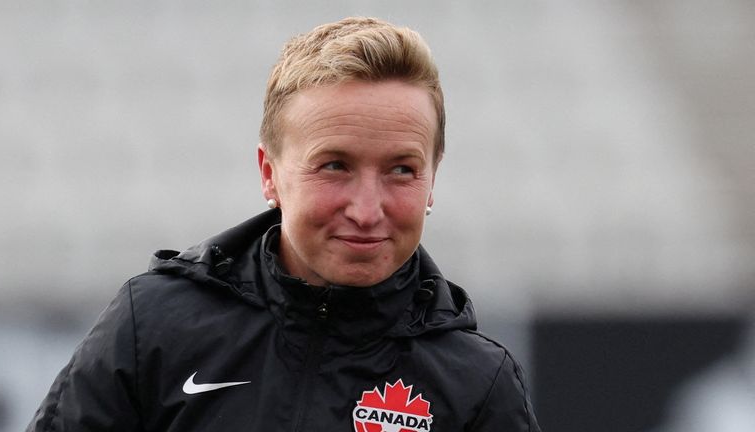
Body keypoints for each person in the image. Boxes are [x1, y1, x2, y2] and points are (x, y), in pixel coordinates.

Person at [27, 17, 540, 432]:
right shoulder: (154, 326)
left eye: (401, 170)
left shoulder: (477, 384)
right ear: (269, 174)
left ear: (432, 181)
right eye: (334, 165)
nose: (366, 210)